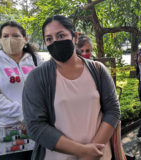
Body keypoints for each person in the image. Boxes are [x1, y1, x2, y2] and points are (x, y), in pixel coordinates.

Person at [22, 15, 120, 160]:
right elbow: (36, 126)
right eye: (49, 39)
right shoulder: (37, 78)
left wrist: (92, 152)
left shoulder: (98, 70)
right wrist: (83, 151)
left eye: (61, 35)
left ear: (74, 37)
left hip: (98, 155)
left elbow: (112, 110)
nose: (55, 42)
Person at [0, 21, 43, 160]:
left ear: (25, 39)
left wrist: (35, 116)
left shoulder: (35, 59)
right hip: (9, 130)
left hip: (38, 126)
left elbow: (46, 88)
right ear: (1, 39)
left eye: (15, 35)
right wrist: (23, 114)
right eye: (5, 36)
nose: (10, 39)